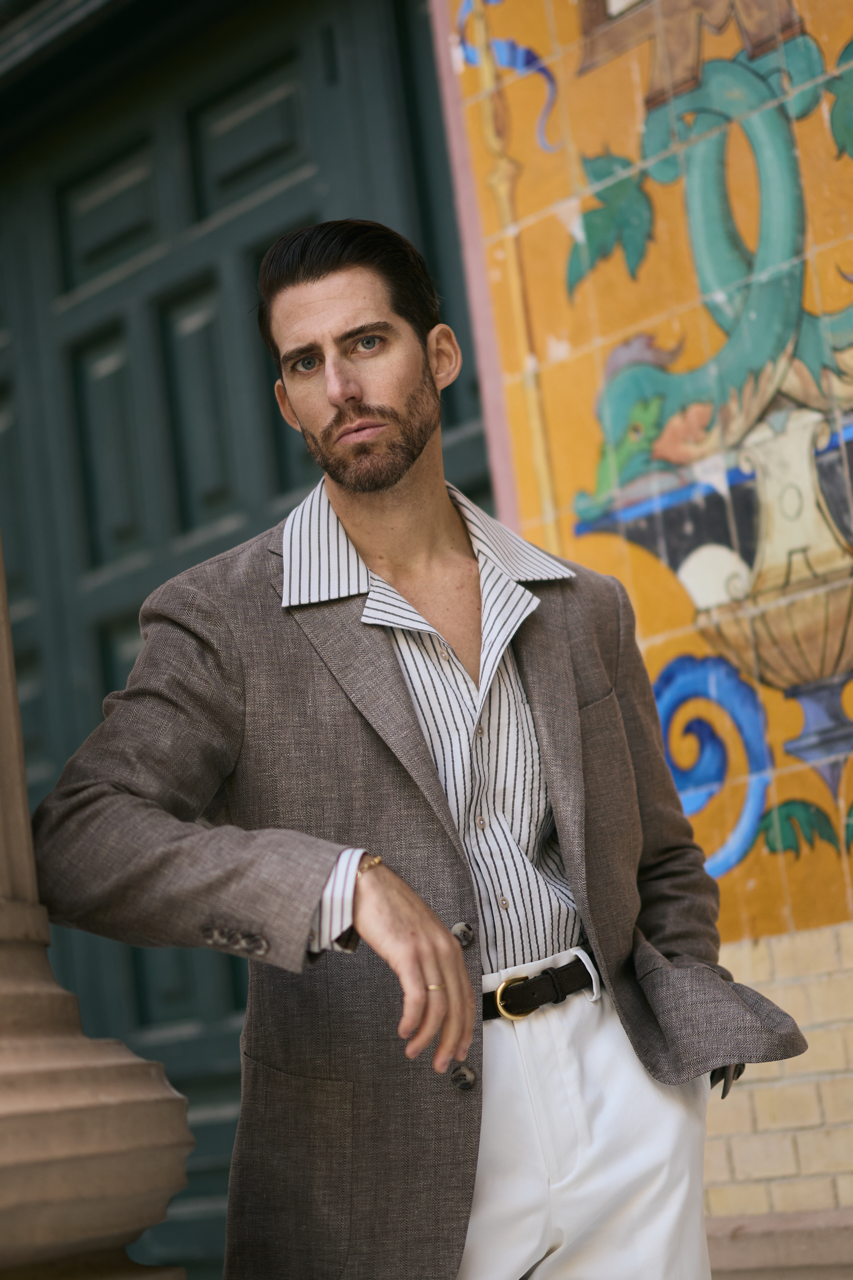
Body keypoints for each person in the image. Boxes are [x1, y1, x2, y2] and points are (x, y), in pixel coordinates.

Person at [33, 219, 806, 1280]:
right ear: (284, 402)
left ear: (437, 355)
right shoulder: (225, 618)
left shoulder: (581, 607)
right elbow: (80, 836)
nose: (340, 385)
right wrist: (341, 883)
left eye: (365, 343)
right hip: (383, 1129)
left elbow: (662, 856)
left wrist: (671, 1046)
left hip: (619, 1097)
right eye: (305, 363)